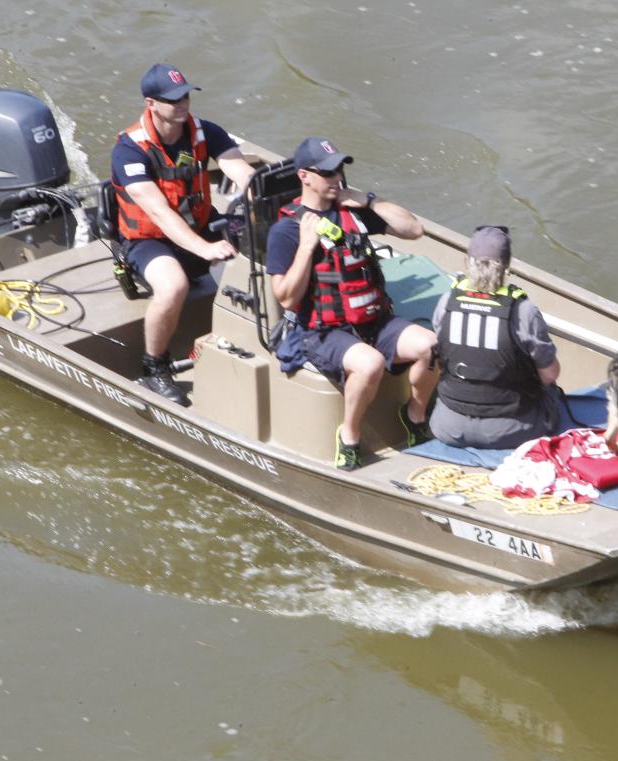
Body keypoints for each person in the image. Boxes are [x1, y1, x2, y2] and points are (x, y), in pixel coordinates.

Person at [264, 137, 437, 470]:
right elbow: (285, 296)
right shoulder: (286, 230)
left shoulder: (353, 212)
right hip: (323, 332)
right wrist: (306, 246)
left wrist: (368, 200)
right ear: (305, 176)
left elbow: (413, 229)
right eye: (327, 172)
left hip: (374, 321)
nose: (336, 178)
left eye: (339, 169)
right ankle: (350, 437)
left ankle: (414, 417)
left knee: (430, 346)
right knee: (370, 364)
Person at [111, 63, 255, 406]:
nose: (183, 104)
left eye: (186, 95)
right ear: (151, 103)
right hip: (149, 240)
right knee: (174, 285)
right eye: (173, 99)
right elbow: (159, 212)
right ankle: (153, 368)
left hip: (202, 225)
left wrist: (256, 198)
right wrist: (204, 249)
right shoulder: (130, 149)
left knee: (266, 252)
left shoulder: (207, 132)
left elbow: (242, 172)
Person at [430, 226, 562, 449]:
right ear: (507, 266)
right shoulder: (524, 311)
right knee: (551, 390)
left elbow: (443, 357)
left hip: (449, 428)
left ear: (467, 262)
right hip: (512, 431)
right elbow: (549, 375)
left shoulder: (446, 303)